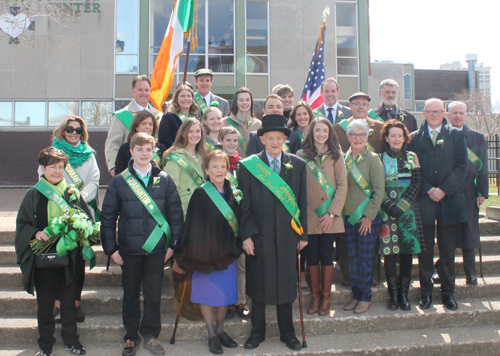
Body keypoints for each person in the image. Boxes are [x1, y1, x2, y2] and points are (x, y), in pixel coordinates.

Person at [101, 133, 184, 356]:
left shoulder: (164, 179)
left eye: (148, 149)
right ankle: (130, 337)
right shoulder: (120, 180)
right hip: (128, 250)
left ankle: (151, 336)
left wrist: (172, 245)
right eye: (139, 149)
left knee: (153, 294)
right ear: (131, 151)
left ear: (153, 151)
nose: (144, 154)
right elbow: (108, 216)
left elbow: (175, 214)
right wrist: (111, 249)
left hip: (157, 250)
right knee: (130, 294)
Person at [238, 114, 308, 351]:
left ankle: (287, 333)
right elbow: (243, 204)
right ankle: (256, 332)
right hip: (259, 235)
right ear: (263, 139)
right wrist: (246, 235)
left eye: (279, 138)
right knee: (258, 285)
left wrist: (304, 234)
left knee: (286, 285)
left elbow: (302, 202)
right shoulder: (249, 166)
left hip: (288, 235)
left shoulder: (298, 165)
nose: (275, 142)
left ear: (285, 139)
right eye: (270, 138)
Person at [16, 147, 92, 356]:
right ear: (42, 168)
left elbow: (88, 222)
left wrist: (80, 227)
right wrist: (35, 233)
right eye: (52, 167)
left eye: (61, 167)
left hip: (69, 259)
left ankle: (71, 340)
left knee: (69, 303)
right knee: (46, 304)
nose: (57, 171)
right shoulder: (34, 194)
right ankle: (46, 343)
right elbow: (22, 224)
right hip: (44, 259)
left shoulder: (73, 194)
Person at [175, 150, 242, 354]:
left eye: (223, 166)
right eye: (214, 166)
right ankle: (211, 334)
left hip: (227, 253)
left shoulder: (233, 191)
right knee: (207, 296)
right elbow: (193, 224)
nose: (219, 170)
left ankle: (221, 331)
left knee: (224, 295)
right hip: (205, 253)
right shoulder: (201, 193)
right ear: (206, 170)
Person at [39, 115, 100, 325]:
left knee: (77, 262)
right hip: (55, 212)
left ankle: (75, 303)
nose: (74, 133)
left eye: (78, 130)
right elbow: (43, 179)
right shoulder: (52, 153)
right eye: (70, 129)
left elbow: (94, 180)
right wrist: (64, 201)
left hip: (80, 213)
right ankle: (57, 304)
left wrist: (78, 200)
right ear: (63, 131)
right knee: (58, 259)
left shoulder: (89, 154)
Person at [408, 98, 468, 310]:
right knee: (424, 251)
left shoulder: (456, 135)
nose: (434, 115)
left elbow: (462, 166)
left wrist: (444, 189)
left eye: (438, 111)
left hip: (449, 201)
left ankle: (448, 293)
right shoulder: (414, 138)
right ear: (423, 113)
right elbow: (412, 168)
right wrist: (428, 189)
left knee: (447, 251)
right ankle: (425, 293)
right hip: (424, 202)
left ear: (444, 112)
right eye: (430, 111)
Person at [297, 118, 348, 316]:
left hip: (330, 217)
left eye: (324, 131)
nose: (320, 134)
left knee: (327, 256)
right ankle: (315, 296)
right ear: (311, 132)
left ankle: (326, 298)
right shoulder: (301, 155)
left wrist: (332, 212)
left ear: (329, 134)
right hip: (309, 217)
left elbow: (343, 185)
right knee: (311, 257)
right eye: (317, 130)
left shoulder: (336, 154)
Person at [163, 117, 206, 321]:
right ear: (183, 133)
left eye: (198, 131)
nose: (195, 135)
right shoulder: (174, 158)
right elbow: (171, 191)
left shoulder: (203, 156)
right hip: (184, 215)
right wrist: (178, 218)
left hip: (202, 217)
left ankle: (194, 301)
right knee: (181, 260)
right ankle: (182, 302)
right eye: (191, 132)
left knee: (196, 260)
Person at [379, 120, 424, 311]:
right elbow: (376, 186)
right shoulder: (378, 158)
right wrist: (389, 205)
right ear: (386, 138)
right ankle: (393, 295)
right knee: (389, 254)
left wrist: (403, 205)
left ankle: (404, 294)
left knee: (406, 253)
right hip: (386, 211)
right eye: (393, 135)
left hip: (408, 212)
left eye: (400, 135)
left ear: (405, 137)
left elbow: (417, 182)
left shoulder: (412, 156)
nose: (396, 139)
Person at [342, 120, 385, 314]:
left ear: (367, 137)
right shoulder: (344, 158)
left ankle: (366, 297)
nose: (357, 138)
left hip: (367, 218)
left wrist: (368, 216)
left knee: (366, 259)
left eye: (361, 135)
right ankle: (356, 294)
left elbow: (379, 191)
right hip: (349, 217)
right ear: (348, 137)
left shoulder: (373, 158)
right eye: (353, 134)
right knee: (353, 258)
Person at [448, 101, 488, 285]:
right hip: (447, 190)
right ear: (448, 115)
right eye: (454, 112)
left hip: (469, 190)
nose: (457, 116)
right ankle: (444, 270)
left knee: (469, 232)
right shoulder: (443, 135)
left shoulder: (477, 137)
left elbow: (483, 168)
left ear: (466, 115)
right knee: (448, 234)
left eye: (461, 113)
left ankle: (470, 272)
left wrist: (483, 192)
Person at [219, 126, 250, 319]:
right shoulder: (215, 162)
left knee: (242, 264)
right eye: (227, 140)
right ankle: (226, 302)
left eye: (234, 140)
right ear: (221, 140)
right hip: (222, 221)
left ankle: (241, 301)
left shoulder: (244, 165)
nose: (231, 144)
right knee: (225, 264)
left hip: (241, 221)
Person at [105, 75, 162, 177]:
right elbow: (112, 144)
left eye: (147, 90)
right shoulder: (121, 116)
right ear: (133, 92)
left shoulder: (159, 115)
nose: (144, 93)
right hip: (127, 172)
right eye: (140, 90)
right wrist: (113, 168)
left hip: (153, 172)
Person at [221, 87, 261, 158]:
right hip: (230, 164)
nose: (245, 103)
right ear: (236, 102)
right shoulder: (224, 122)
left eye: (248, 100)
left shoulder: (258, 124)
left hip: (251, 166)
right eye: (241, 100)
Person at [158, 84, 199, 149]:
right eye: (182, 96)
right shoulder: (168, 117)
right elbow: (164, 141)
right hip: (176, 156)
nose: (186, 99)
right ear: (176, 99)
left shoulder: (196, 118)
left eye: (188, 96)